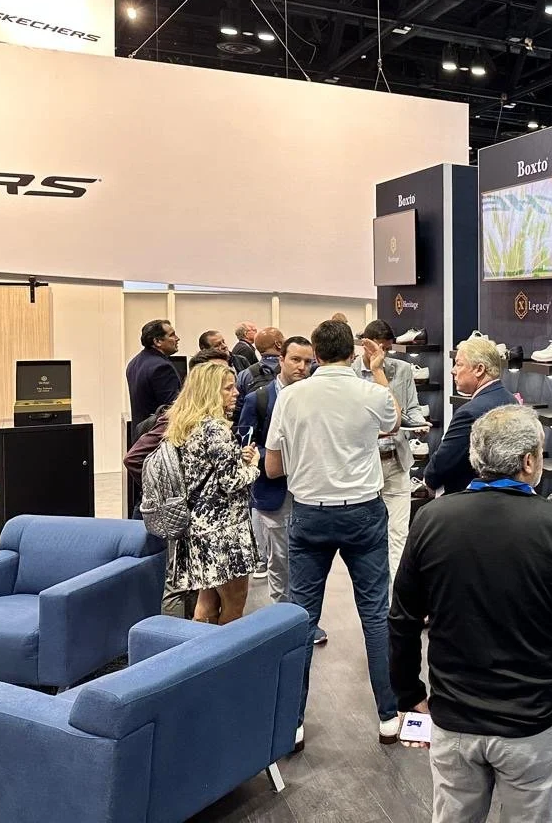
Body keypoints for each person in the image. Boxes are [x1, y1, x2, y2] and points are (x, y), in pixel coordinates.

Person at [390, 405, 552, 823]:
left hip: (454, 717)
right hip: (532, 722)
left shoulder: (432, 518)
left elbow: (402, 620)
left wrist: (409, 694)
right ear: (529, 461)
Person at [264, 320, 401, 747]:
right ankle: (388, 716)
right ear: (353, 351)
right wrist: (377, 369)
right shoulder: (372, 392)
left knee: (303, 616)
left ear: (317, 355)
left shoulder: (289, 397)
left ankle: (294, 721)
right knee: (376, 614)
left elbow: (272, 468)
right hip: (363, 512)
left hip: (309, 515)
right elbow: (393, 422)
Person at [162, 362, 260, 626]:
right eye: (228, 388)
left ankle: (198, 657)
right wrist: (252, 466)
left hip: (198, 528)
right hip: (225, 531)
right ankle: (224, 660)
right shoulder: (216, 428)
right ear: (209, 393)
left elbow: (204, 471)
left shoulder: (185, 426)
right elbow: (231, 482)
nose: (236, 393)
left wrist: (235, 458)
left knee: (205, 604)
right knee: (234, 604)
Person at [238, 335, 314, 614]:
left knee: (308, 559)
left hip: (311, 490)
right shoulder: (257, 399)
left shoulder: (315, 397)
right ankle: (284, 618)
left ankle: (306, 616)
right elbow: (244, 444)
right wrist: (266, 455)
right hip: (273, 490)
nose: (302, 367)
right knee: (280, 560)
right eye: (295, 359)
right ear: (281, 360)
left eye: (308, 361)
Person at [355, 320, 426, 583]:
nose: (384, 355)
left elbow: (413, 407)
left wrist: (418, 423)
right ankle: (375, 589)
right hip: (365, 466)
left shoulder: (403, 369)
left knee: (399, 535)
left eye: (388, 349)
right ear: (366, 344)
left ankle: (396, 597)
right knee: (371, 535)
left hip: (397, 460)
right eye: (379, 349)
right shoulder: (350, 373)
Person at [423, 336, 515, 496]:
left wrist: (428, 481)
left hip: (468, 500)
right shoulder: (512, 400)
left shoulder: (469, 412)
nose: (453, 370)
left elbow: (444, 462)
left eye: (458, 364)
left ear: (479, 369)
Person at [126, 319, 182, 426]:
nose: (177, 338)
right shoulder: (162, 367)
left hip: (141, 436)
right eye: (172, 335)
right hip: (157, 437)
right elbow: (173, 409)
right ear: (157, 341)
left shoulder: (134, 362)